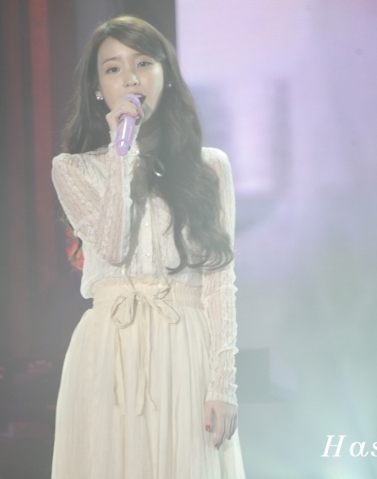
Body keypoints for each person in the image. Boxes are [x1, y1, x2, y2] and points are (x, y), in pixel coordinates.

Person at [51, 15, 245, 479]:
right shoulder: (72, 169)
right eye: (112, 68)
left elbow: (219, 280)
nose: (130, 78)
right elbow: (113, 246)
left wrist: (223, 384)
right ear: (98, 89)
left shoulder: (210, 168)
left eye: (142, 63)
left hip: (186, 346)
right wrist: (122, 154)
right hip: (109, 350)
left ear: (166, 76)